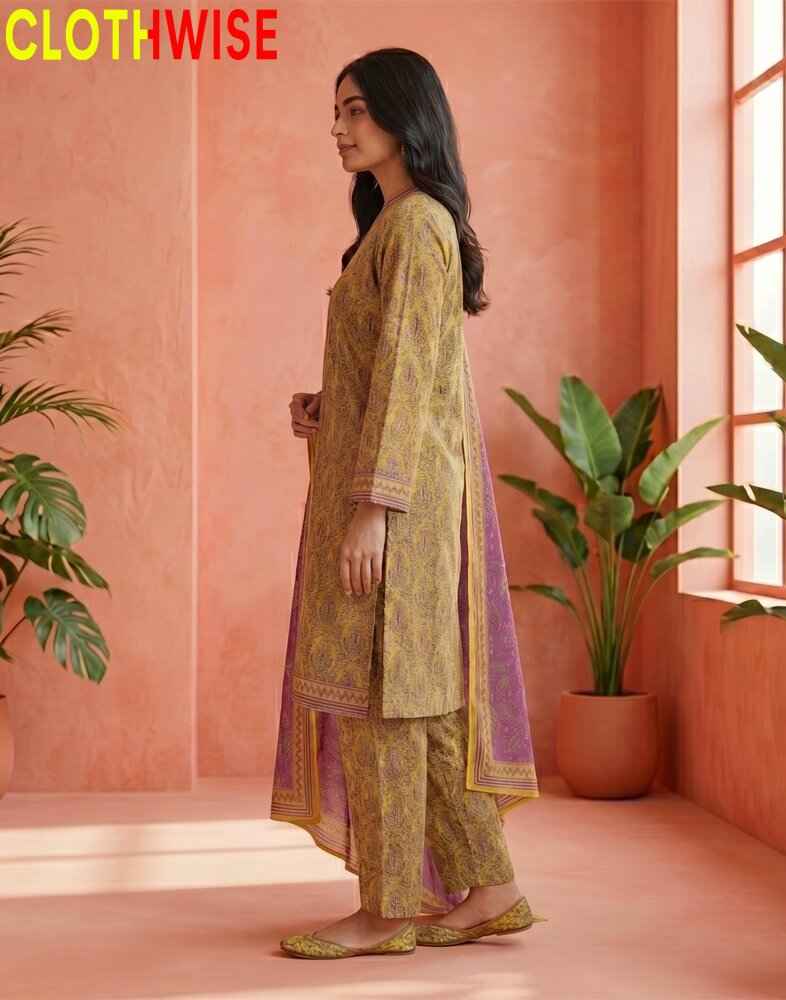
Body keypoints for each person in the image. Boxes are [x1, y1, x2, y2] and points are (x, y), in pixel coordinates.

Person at [271, 47, 546, 960]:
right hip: (390, 499)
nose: (339, 129)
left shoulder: (420, 224)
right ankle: (490, 887)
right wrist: (326, 409)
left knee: (387, 698)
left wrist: (371, 508)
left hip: (399, 515)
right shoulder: (393, 227)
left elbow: (408, 376)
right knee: (417, 700)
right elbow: (395, 376)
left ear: (403, 115)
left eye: (355, 110)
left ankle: (389, 911)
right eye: (335, 112)